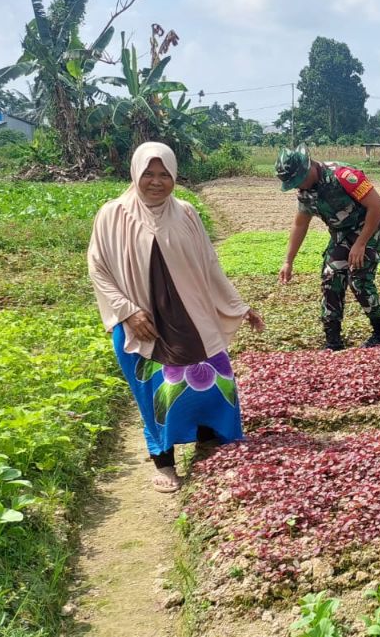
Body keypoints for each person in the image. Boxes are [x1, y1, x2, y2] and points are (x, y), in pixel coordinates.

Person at [88, 142, 265, 493]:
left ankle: (209, 443)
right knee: (156, 393)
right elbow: (98, 269)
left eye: (164, 174)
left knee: (214, 382)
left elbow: (209, 264)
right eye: (149, 174)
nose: (156, 182)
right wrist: (127, 311)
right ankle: (164, 464)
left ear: (174, 176)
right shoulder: (113, 214)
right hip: (142, 325)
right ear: (135, 174)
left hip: (192, 318)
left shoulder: (185, 212)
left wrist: (238, 305)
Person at [274, 148, 380, 350]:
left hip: (370, 228)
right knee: (331, 276)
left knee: (359, 279)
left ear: (309, 165)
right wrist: (288, 261)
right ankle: (333, 340)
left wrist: (361, 243)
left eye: (300, 180)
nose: (299, 186)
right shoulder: (305, 191)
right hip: (341, 234)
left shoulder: (344, 175)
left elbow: (377, 206)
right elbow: (300, 224)